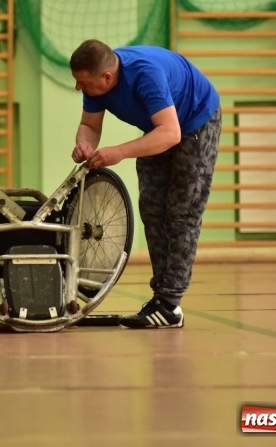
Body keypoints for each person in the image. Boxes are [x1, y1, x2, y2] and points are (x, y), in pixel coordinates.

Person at [69, 39, 221, 329]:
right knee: (152, 208)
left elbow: (172, 133)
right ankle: (161, 298)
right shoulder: (97, 85)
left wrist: (119, 152)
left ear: (107, 77)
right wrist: (84, 145)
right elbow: (89, 126)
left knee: (181, 212)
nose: (79, 88)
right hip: (159, 128)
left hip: (195, 121)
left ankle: (169, 303)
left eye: (83, 82)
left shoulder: (144, 74)